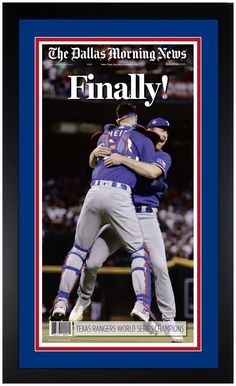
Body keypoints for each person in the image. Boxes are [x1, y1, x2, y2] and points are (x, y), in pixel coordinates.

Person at [69, 117, 183, 342]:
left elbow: (151, 173)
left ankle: (169, 321)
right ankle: (82, 301)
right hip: (119, 216)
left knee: (160, 267)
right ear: (146, 133)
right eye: (160, 130)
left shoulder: (161, 157)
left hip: (144, 216)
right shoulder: (129, 148)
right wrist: (96, 153)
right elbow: (97, 163)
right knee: (90, 262)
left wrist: (122, 158)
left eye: (167, 133)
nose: (164, 135)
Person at [50, 104, 161, 322]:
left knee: (79, 250)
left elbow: (93, 163)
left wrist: (94, 154)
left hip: (93, 194)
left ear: (118, 119)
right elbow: (152, 172)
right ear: (135, 118)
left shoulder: (105, 136)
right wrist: (128, 160)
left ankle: (61, 301)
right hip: (120, 197)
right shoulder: (143, 139)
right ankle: (142, 304)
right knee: (139, 252)